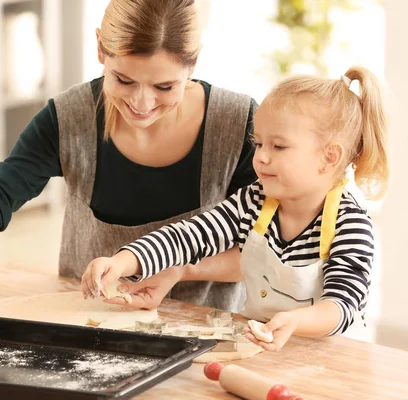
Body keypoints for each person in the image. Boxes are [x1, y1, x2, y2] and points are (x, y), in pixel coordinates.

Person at [0, 0, 259, 312]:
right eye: (124, 80)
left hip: (207, 336)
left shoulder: (238, 123)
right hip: (88, 325)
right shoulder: (69, 116)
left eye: (164, 87)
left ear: (194, 62)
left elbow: (269, 248)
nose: (141, 104)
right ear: (100, 49)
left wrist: (181, 268)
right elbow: (0, 191)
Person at [82, 65, 388, 351]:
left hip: (329, 362)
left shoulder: (350, 226)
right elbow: (189, 236)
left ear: (329, 157)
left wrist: (296, 321)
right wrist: (124, 262)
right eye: (259, 144)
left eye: (278, 146)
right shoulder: (254, 201)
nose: (261, 158)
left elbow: (342, 306)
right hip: (260, 348)